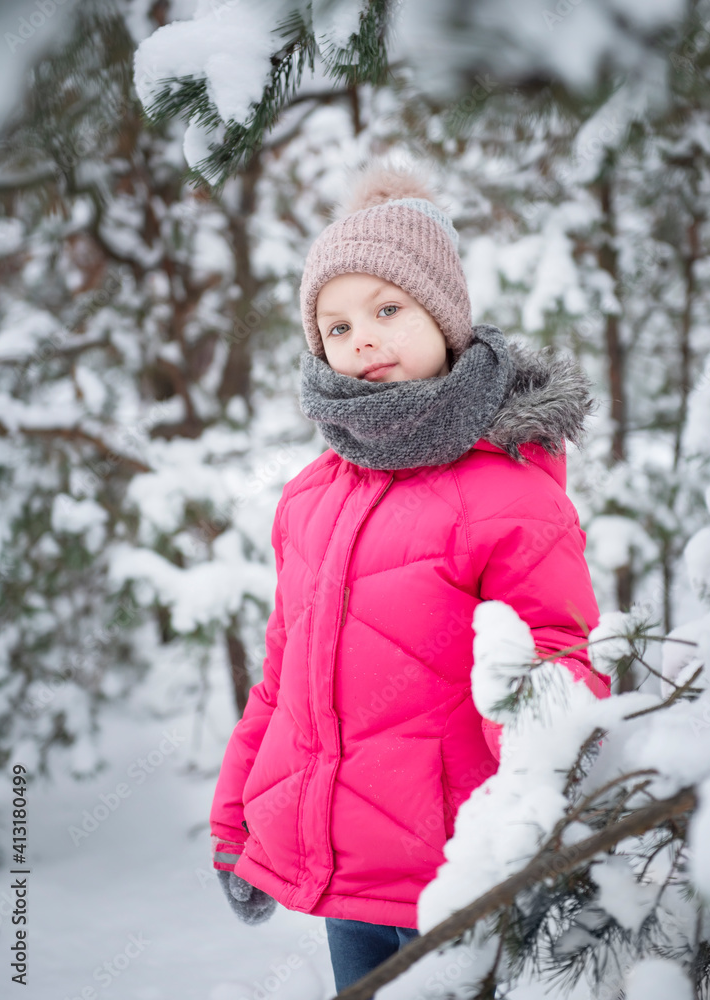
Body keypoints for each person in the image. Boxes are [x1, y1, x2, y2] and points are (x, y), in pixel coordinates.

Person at [209, 161, 611, 994]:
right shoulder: (311, 497)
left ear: (445, 316)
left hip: (459, 872)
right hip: (345, 878)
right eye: (336, 324)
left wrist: (541, 827)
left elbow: (550, 662)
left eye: (387, 309)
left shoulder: (509, 491)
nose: (362, 338)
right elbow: (282, 676)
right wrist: (236, 819)